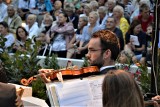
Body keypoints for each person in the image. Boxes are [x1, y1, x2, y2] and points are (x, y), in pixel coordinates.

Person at [39, 30, 120, 82]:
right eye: (88, 50)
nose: (87, 55)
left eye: (92, 50)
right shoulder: (97, 74)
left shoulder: (105, 79)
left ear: (107, 53)